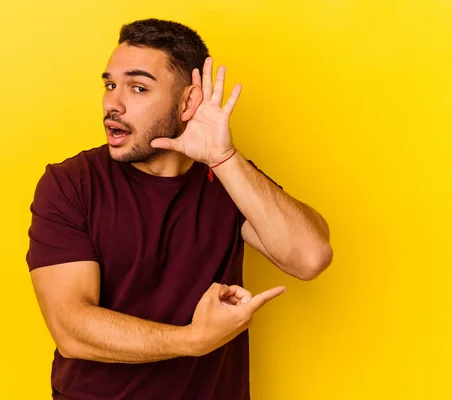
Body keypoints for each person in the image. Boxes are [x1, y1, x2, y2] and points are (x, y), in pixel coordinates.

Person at [26, 18, 333, 400]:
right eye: (110, 85)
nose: (112, 104)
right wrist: (192, 340)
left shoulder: (225, 178)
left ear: (187, 102)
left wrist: (224, 158)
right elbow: (71, 328)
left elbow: (310, 257)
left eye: (137, 88)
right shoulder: (70, 184)